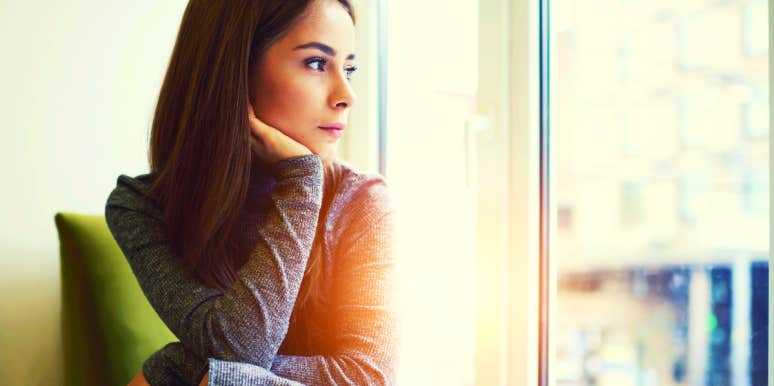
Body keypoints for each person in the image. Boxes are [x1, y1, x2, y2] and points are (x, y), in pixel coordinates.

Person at [104, 0, 400, 384]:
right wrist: (301, 181)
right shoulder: (141, 206)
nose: (347, 94)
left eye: (349, 69)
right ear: (236, 69)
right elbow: (238, 349)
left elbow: (369, 378)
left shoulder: (362, 202)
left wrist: (176, 368)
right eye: (315, 63)